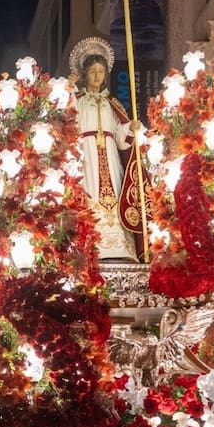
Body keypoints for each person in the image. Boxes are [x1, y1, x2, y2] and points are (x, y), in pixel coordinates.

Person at [67, 36, 142, 261]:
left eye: (101, 72)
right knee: (89, 192)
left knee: (116, 192)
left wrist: (130, 128)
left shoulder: (112, 104)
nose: (97, 76)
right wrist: (67, 89)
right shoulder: (78, 100)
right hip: (87, 153)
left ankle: (119, 245)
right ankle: (93, 243)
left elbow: (120, 138)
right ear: (85, 75)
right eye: (93, 72)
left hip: (109, 155)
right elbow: (64, 118)